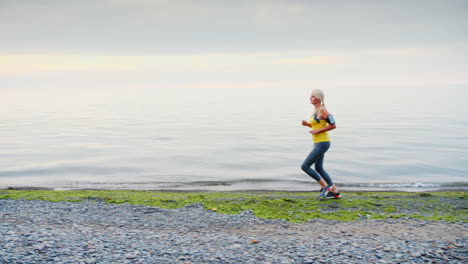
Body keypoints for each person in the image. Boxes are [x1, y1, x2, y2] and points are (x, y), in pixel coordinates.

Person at [301, 89, 340, 199]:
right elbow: (317, 126)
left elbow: (333, 125)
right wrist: (308, 125)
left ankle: (325, 186)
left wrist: (317, 131)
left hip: (323, 143)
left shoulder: (322, 109)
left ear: (318, 98)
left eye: (312, 96)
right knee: (319, 168)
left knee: (305, 166)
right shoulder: (316, 110)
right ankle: (335, 191)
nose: (310, 98)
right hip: (318, 142)